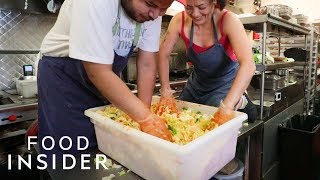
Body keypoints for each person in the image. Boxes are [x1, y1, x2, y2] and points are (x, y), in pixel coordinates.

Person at [38, 0, 175, 161]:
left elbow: (146, 64)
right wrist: (147, 119)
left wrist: (143, 117)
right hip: (64, 80)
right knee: (70, 156)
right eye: (149, 4)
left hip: (102, 84)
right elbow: (98, 72)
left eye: (164, 9)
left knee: (106, 150)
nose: (155, 15)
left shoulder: (153, 13)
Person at [157, 0, 257, 124]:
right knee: (180, 117)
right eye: (189, 7)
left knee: (221, 121)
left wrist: (228, 105)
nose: (195, 14)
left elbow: (248, 64)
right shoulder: (179, 21)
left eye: (201, 7)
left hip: (225, 83)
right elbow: (163, 54)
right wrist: (165, 91)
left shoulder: (228, 21)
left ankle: (241, 101)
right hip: (197, 85)